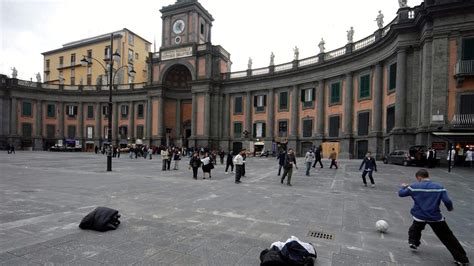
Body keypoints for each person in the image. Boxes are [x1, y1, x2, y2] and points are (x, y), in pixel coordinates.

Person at [398, 169, 469, 265]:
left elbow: (401, 194)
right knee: (448, 237)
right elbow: (447, 201)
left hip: (420, 215)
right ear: (427, 176)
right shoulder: (439, 187)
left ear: (419, 177)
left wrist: (402, 187)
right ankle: (462, 259)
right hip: (435, 217)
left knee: (415, 229)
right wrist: (450, 208)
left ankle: (413, 242)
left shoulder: (414, 187)